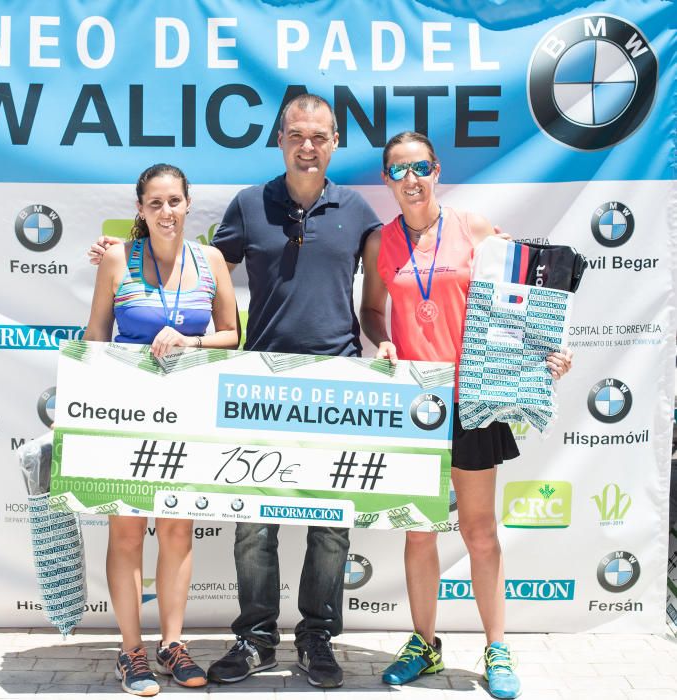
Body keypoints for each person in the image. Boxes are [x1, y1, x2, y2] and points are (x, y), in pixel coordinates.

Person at [91, 94, 382, 689]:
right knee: (253, 525)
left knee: (330, 527)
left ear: (333, 143)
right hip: (258, 385)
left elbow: (385, 295)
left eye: (320, 136)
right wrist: (117, 254)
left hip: (336, 384)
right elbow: (188, 268)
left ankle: (318, 638)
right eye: (297, 135)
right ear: (280, 139)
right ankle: (255, 640)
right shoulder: (250, 205)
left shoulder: (359, 211)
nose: (308, 145)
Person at [360, 131, 573, 700]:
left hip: (474, 397)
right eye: (399, 170)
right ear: (386, 179)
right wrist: (380, 341)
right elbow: (373, 311)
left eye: (421, 167)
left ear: (437, 171)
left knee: (480, 533)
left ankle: (496, 647)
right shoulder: (382, 241)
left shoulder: (474, 229)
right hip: (414, 405)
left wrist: (548, 349)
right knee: (420, 533)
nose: (411, 179)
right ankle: (424, 645)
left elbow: (528, 298)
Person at [83, 163, 238, 696]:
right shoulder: (115, 260)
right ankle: (131, 652)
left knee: (176, 530)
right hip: (127, 414)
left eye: (175, 201)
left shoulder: (211, 259)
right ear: (140, 210)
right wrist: (83, 403)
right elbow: (96, 337)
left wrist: (191, 342)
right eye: (156, 203)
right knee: (126, 532)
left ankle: (173, 644)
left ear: (189, 204)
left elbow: (232, 335)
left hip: (190, 414)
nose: (167, 211)